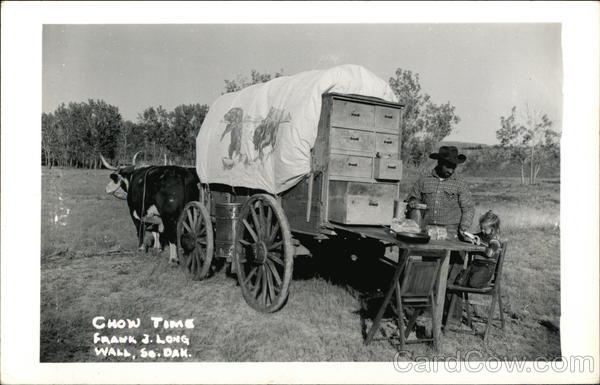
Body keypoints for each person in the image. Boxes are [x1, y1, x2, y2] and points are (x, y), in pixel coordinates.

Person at [405, 146, 475, 240]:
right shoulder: (424, 179)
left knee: (457, 252)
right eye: (447, 166)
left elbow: (468, 207)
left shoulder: (460, 183)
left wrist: (464, 227)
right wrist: (413, 201)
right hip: (427, 229)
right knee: (431, 254)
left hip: (452, 231)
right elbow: (413, 197)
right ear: (440, 163)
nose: (450, 171)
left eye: (453, 167)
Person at [459, 210, 502, 288]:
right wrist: (467, 236)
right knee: (460, 282)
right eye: (481, 228)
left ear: (493, 229)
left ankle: (487, 283)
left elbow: (490, 253)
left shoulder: (495, 240)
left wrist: (480, 245)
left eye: (485, 229)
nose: (482, 231)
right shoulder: (482, 235)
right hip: (475, 265)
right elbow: (473, 237)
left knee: (473, 283)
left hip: (486, 267)